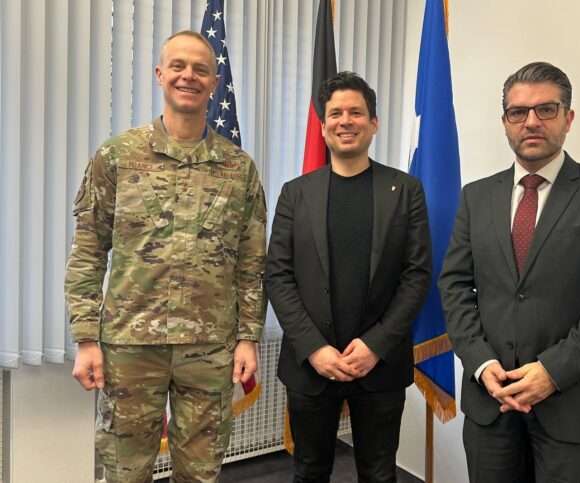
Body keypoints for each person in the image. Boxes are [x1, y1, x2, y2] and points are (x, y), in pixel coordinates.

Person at [65, 30, 267, 482]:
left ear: (214, 82)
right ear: (160, 74)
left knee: (201, 473)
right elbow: (88, 251)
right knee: (125, 472)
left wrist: (248, 337)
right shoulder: (117, 157)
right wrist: (86, 338)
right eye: (178, 66)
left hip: (209, 347)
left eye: (200, 69)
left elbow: (251, 263)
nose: (188, 76)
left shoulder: (238, 168)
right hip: (131, 346)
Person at [439, 61, 580, 482]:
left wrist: (552, 371)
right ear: (505, 122)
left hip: (573, 406)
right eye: (518, 112)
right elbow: (455, 286)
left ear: (568, 118)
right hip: (491, 403)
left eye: (546, 109)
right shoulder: (476, 196)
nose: (531, 122)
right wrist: (480, 362)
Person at [265, 71, 431, 483]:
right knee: (309, 471)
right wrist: (314, 348)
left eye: (356, 112)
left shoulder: (405, 190)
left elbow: (416, 276)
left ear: (373, 123)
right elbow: (278, 275)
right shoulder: (295, 193)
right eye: (336, 113)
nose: (345, 121)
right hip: (311, 364)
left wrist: (375, 345)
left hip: (381, 363)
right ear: (323, 127)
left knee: (379, 473)